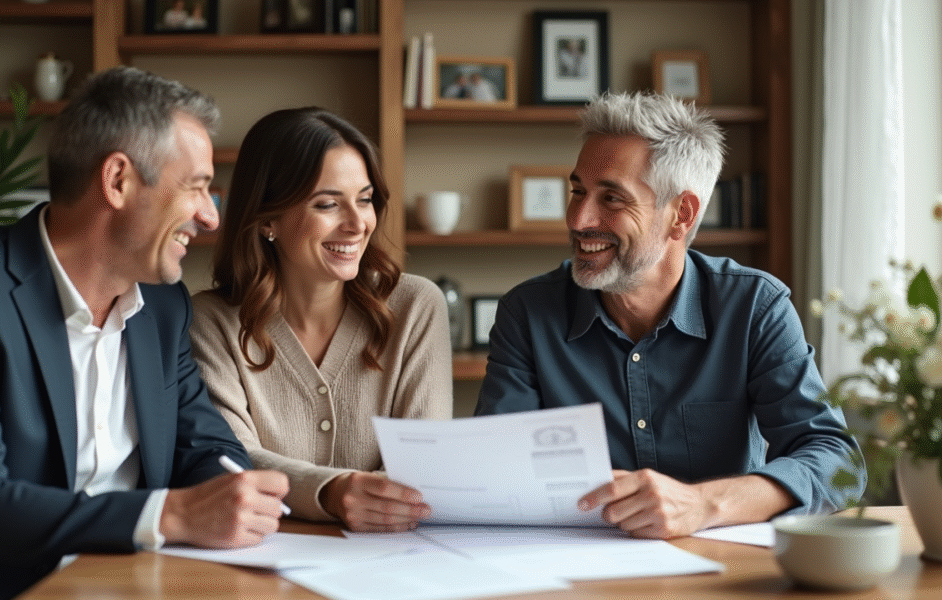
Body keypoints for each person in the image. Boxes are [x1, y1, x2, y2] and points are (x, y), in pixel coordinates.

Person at [0, 66, 289, 600]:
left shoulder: (163, 305)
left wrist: (234, 494)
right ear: (118, 181)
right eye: (196, 187)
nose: (211, 216)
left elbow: (206, 446)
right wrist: (169, 513)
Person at [475, 91, 864, 539]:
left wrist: (703, 504)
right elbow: (496, 477)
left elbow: (839, 463)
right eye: (578, 190)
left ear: (682, 214)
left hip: (725, 570)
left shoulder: (755, 307)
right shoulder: (527, 313)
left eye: (612, 199)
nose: (579, 219)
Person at [190, 107, 453, 533]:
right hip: (260, 562)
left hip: (393, 558)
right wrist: (330, 491)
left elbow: (424, 466)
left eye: (365, 200)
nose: (357, 224)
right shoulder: (210, 321)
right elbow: (231, 458)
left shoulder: (416, 306)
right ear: (267, 219)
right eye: (328, 204)